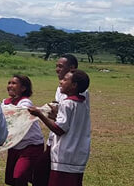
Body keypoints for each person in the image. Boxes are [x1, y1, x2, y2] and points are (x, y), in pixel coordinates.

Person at [32, 54, 90, 186]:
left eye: (60, 66)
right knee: (42, 171)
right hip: (73, 151)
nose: (57, 70)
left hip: (66, 150)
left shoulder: (76, 97)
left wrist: (40, 114)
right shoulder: (73, 99)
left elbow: (61, 128)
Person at [2, 75, 44, 186]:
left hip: (30, 146)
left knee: (19, 176)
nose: (10, 86)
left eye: (14, 83)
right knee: (14, 180)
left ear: (23, 88)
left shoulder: (25, 103)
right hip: (15, 145)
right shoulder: (6, 103)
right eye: (9, 83)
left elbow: (15, 114)